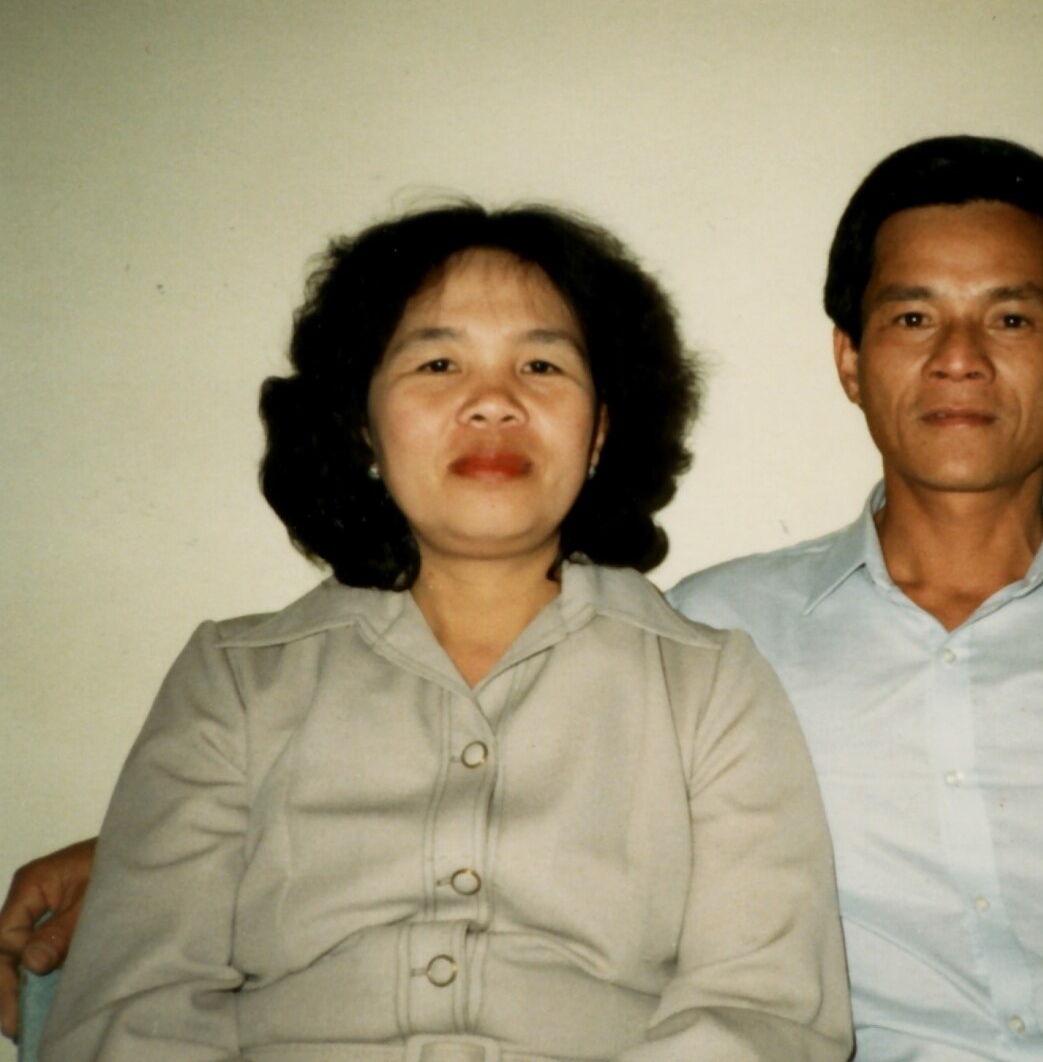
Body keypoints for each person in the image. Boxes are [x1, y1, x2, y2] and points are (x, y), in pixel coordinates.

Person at [5, 135, 1043, 1060]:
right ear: (850, 361)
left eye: (1012, 317)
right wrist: (129, 853)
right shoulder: (731, 634)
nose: (960, 358)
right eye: (912, 316)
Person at [16, 204, 853, 1061]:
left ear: (599, 429)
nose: (493, 401)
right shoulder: (234, 680)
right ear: (362, 425)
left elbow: (764, 1014)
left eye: (540, 363)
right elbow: (130, 1011)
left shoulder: (710, 685)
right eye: (438, 362)